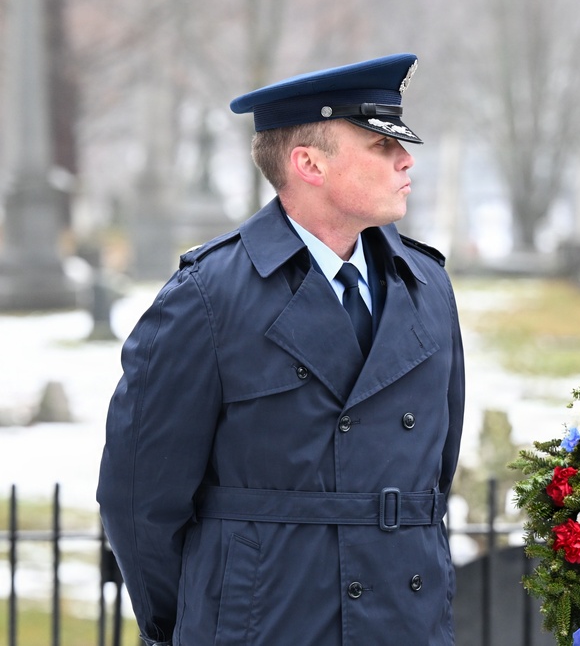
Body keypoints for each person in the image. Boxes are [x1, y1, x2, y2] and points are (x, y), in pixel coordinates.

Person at [97, 53, 466, 646]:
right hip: (264, 623)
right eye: (379, 146)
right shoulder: (208, 295)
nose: (406, 159)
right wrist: (195, 618)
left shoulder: (426, 286)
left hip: (406, 621)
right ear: (309, 163)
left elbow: (435, 477)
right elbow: (139, 499)